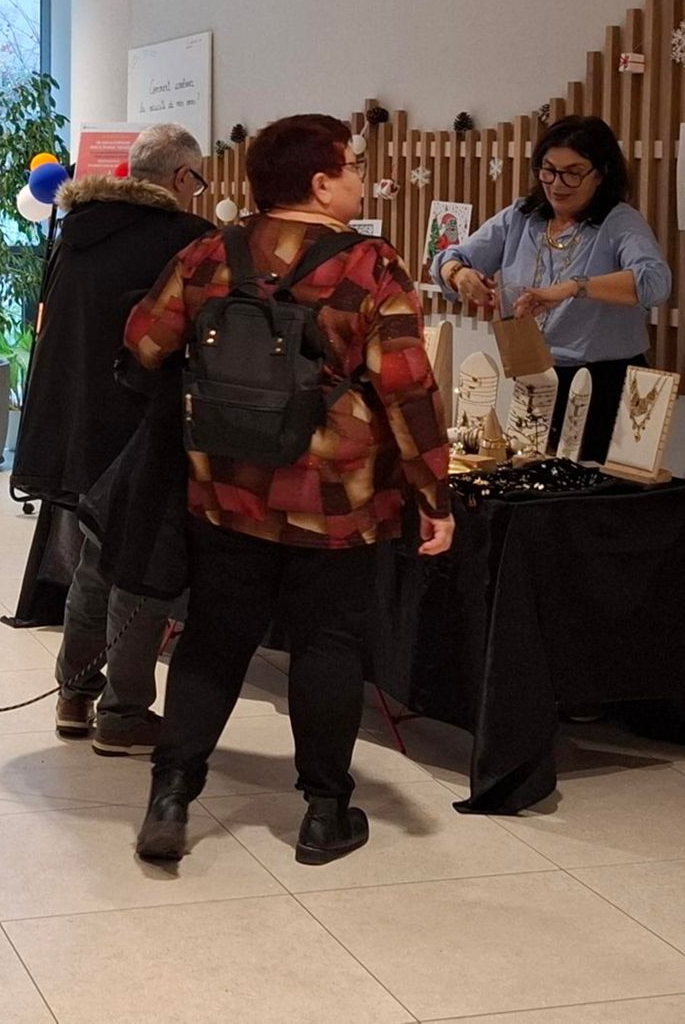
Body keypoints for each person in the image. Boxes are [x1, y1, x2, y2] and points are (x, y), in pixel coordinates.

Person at [123, 113, 453, 866]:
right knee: (327, 645)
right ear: (321, 182)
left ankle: (171, 795)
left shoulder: (211, 250)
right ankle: (324, 814)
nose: (361, 179)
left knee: (214, 637)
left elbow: (143, 340)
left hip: (226, 488)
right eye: (353, 166)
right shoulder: (370, 265)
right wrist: (434, 495)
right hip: (336, 500)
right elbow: (408, 389)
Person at [10, 124, 212, 755]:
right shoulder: (187, 239)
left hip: (76, 426)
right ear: (181, 177)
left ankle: (74, 695)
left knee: (95, 561)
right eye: (199, 179)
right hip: (145, 426)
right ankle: (123, 714)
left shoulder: (77, 231)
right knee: (143, 571)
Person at [432, 114, 671, 462]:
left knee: (591, 486)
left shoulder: (619, 221)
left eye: (573, 173)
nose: (558, 184)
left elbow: (655, 282)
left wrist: (573, 287)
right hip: (535, 378)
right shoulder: (522, 217)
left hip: (605, 381)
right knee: (529, 474)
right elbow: (447, 259)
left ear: (601, 173)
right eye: (549, 170)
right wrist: (459, 274)